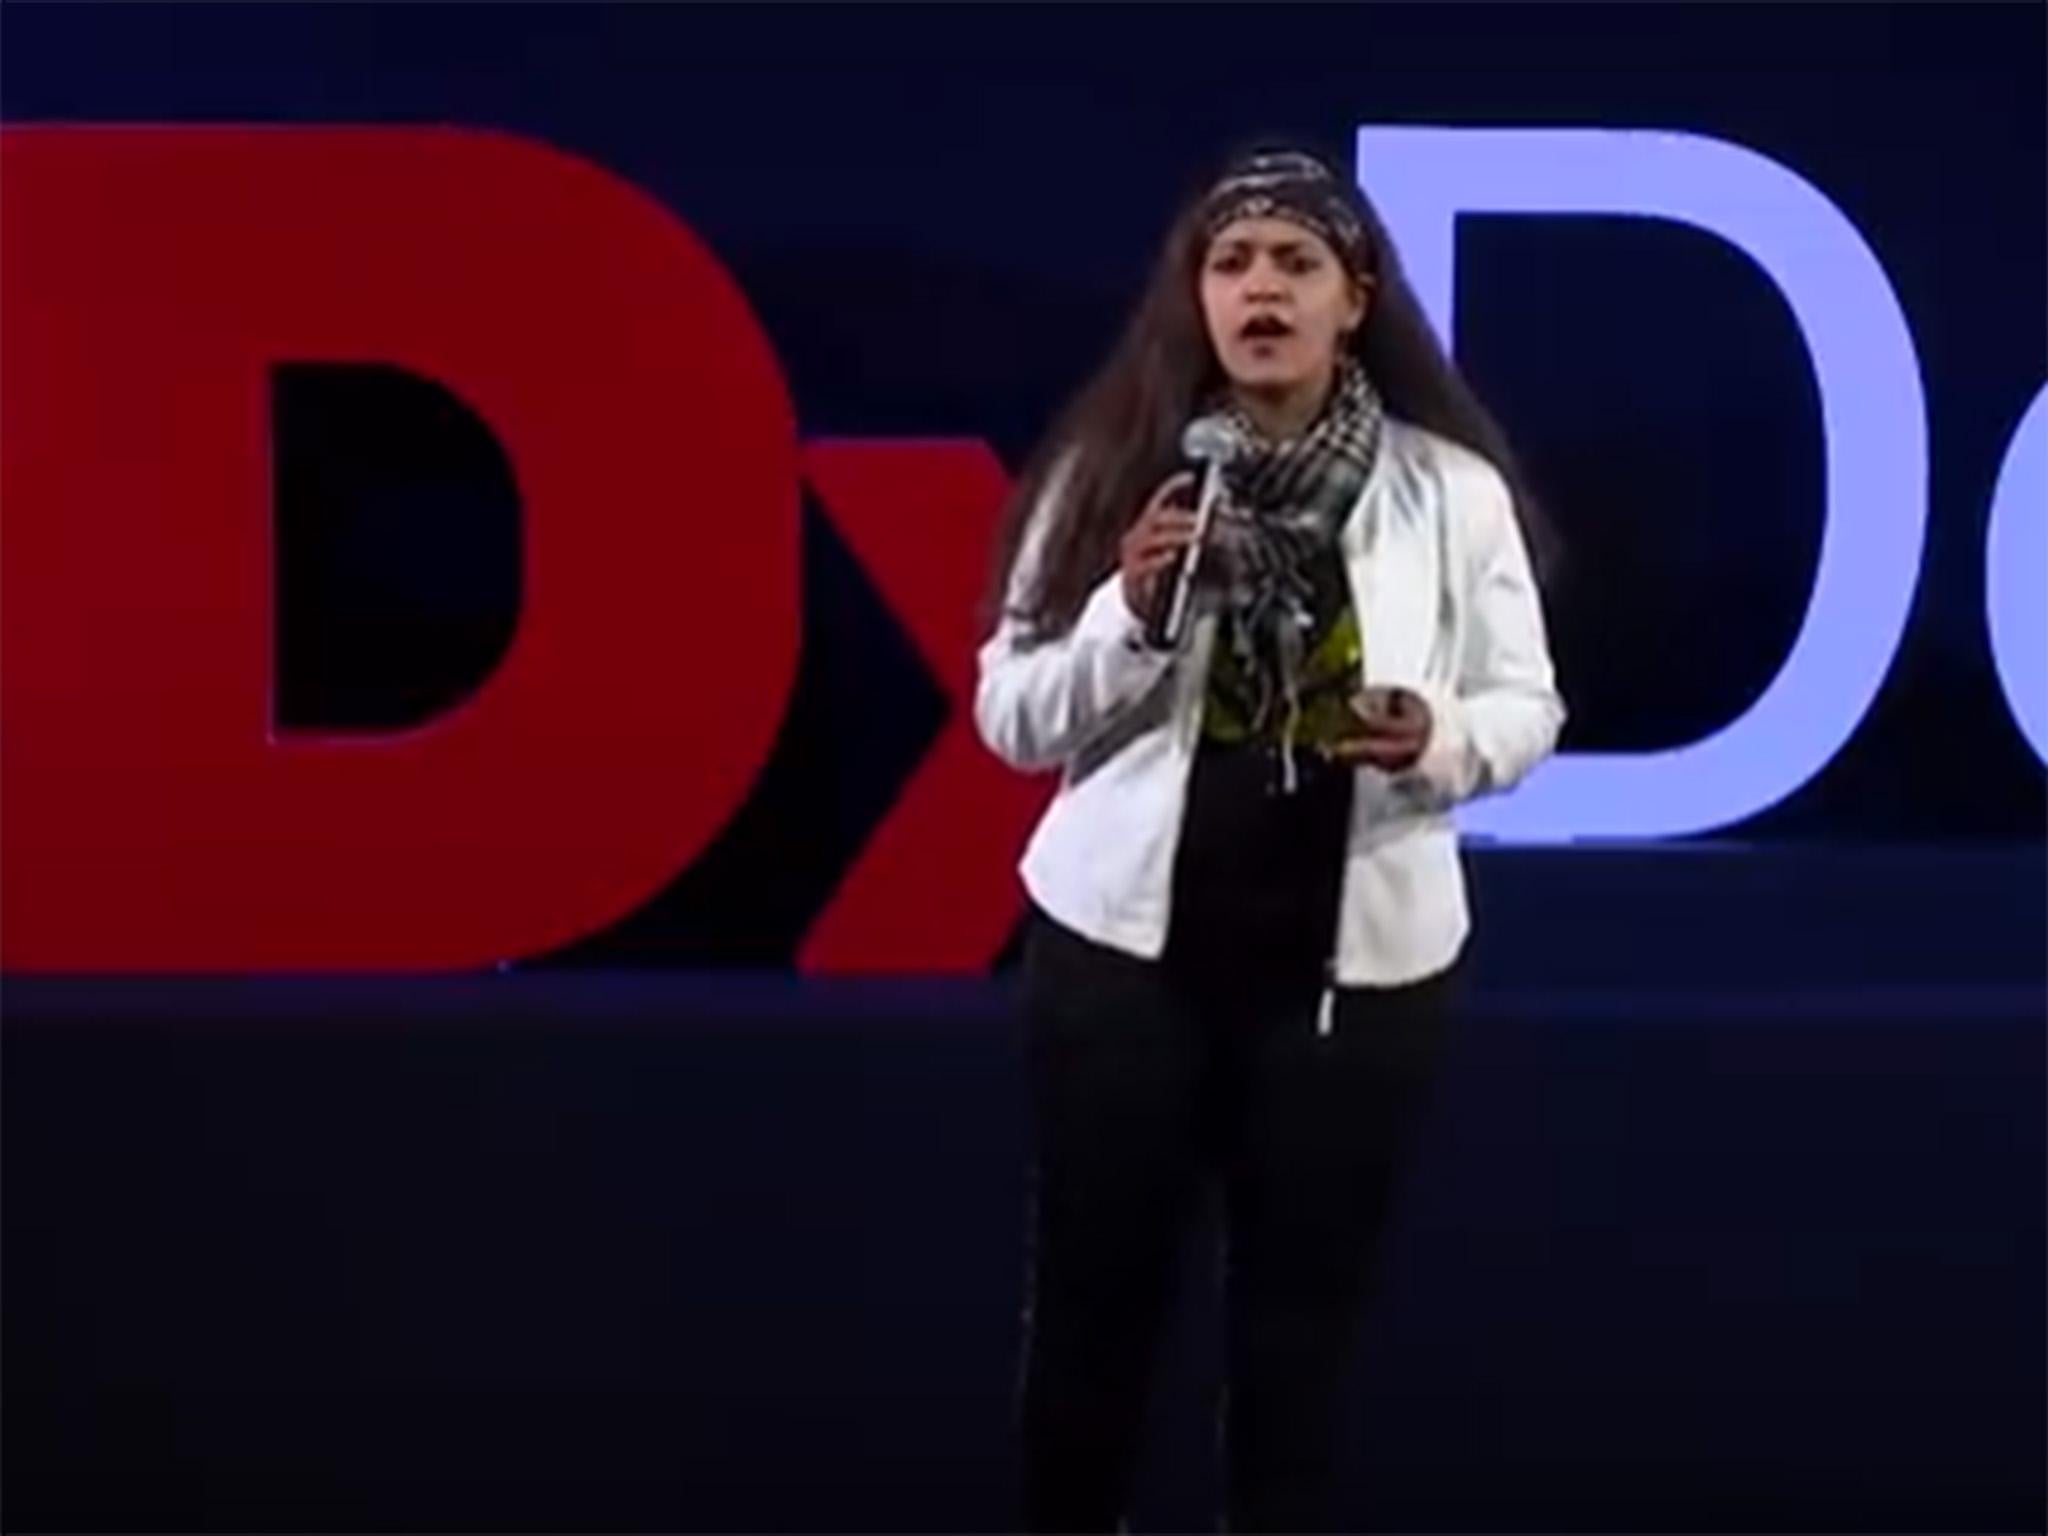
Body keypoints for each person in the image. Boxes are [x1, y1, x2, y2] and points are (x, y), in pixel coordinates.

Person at [973, 144, 1566, 1533]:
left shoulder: (1449, 492)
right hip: (1122, 966)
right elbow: (1012, 716)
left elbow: (1528, 703)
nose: (1261, 291)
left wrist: (1443, 742)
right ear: (1197, 297)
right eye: (1232, 263)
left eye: (1296, 264)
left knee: (1297, 1340)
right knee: (1091, 1321)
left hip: (1357, 980)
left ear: (1354, 297)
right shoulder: (1114, 470)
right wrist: (1126, 608)